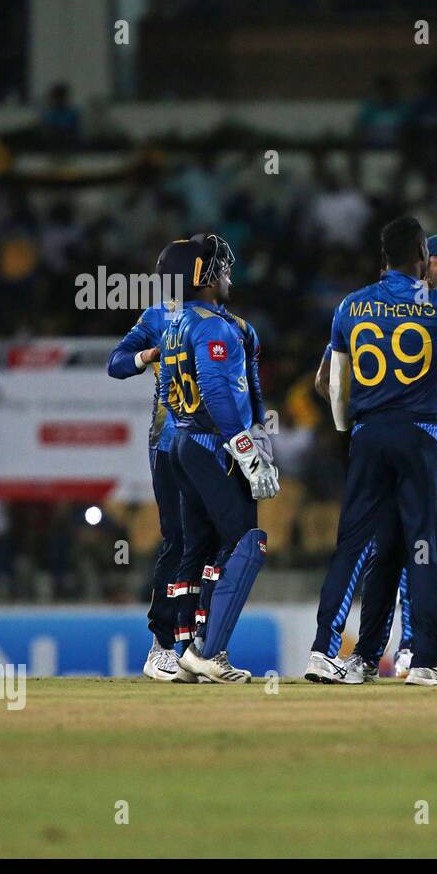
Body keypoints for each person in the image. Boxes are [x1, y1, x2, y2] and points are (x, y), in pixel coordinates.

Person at [306, 203, 437, 687]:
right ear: (423, 255)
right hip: (422, 433)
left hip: (368, 434)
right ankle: (423, 661)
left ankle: (322, 651)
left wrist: (349, 428)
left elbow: (331, 382)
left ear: (384, 256)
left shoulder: (351, 305)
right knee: (425, 545)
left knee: (356, 545)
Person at [157, 234, 279, 683]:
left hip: (186, 442)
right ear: (203, 276)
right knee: (245, 543)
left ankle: (185, 647)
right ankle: (211, 650)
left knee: (199, 547)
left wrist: (258, 438)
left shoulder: (176, 324)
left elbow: (171, 394)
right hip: (215, 445)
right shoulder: (214, 326)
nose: (228, 275)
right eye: (221, 269)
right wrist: (246, 450)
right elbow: (215, 392)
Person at [106, 251, 183, 680]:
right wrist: (150, 354)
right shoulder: (159, 315)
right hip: (169, 440)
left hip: (214, 443)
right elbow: (116, 364)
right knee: (178, 536)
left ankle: (194, 641)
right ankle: (163, 646)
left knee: (211, 539)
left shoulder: (224, 319)